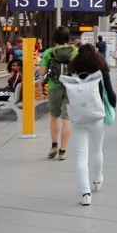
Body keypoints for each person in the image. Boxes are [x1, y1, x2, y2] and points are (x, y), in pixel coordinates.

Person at [66, 44, 117, 206]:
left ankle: (85, 193)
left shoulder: (72, 69)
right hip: (96, 115)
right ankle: (97, 180)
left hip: (77, 117)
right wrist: (113, 104)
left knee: (81, 155)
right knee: (97, 150)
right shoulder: (101, 68)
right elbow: (110, 92)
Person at [38, 26, 77, 161]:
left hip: (55, 86)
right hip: (71, 88)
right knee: (66, 118)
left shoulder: (49, 52)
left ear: (54, 38)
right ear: (68, 38)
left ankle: (54, 145)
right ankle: (62, 151)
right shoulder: (75, 51)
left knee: (55, 117)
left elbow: (42, 72)